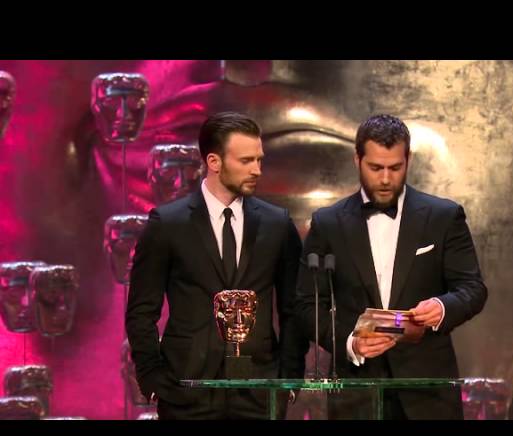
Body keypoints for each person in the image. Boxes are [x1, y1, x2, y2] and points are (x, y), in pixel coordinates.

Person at [296, 114, 488, 419]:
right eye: (375, 168)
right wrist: (350, 342)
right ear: (357, 159)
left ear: (408, 160)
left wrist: (442, 306)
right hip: (356, 395)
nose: (385, 179)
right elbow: (307, 304)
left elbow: (473, 289)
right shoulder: (328, 223)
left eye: (395, 168)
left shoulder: (444, 217)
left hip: (429, 392)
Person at [126, 111, 308, 419]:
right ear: (214, 162)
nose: (257, 170)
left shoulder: (277, 224)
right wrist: (152, 377)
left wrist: (290, 376)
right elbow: (141, 310)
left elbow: (294, 307)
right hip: (187, 391)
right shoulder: (168, 224)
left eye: (259, 160)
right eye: (246, 161)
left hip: (258, 391)